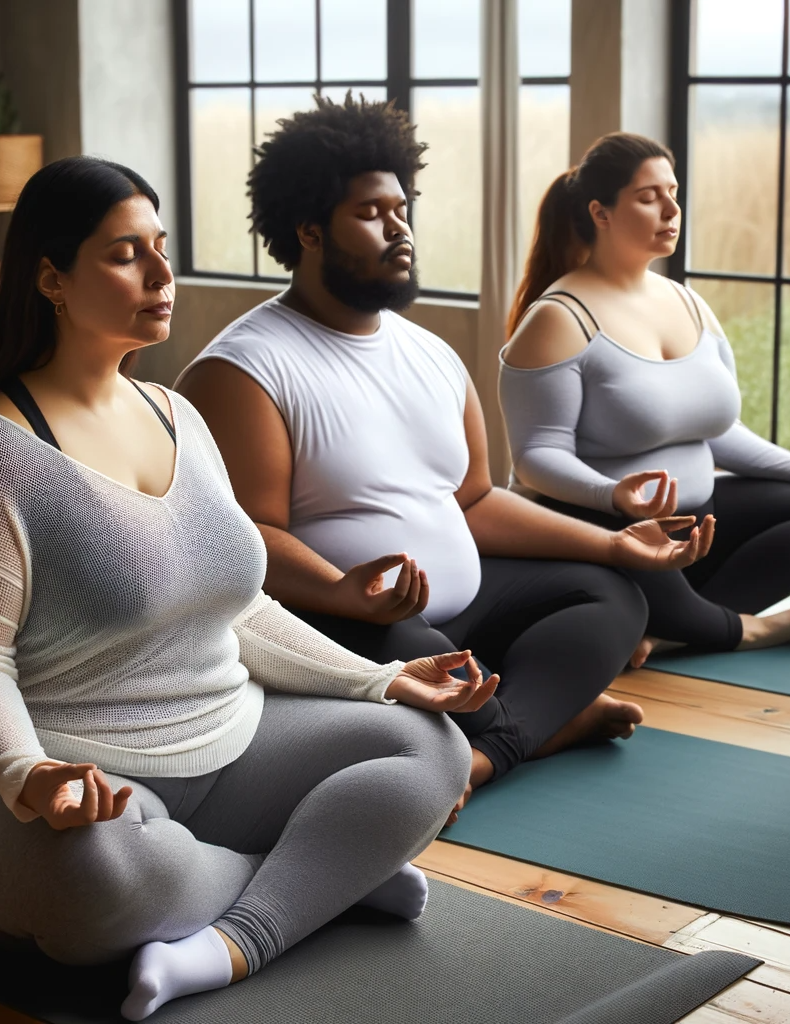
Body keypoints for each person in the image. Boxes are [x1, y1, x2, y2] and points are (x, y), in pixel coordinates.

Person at [0, 156, 490, 1022]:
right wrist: (26, 774)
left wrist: (381, 680)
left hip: (227, 744)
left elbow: (241, 607)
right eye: (124, 254)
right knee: (96, 876)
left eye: (161, 246)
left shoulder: (178, 413)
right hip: (61, 788)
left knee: (427, 746)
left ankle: (232, 938)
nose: (161, 274)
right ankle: (317, 881)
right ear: (51, 278)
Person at [176, 96, 717, 811]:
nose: (399, 229)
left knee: (612, 595)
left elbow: (477, 502)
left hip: (468, 602)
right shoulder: (242, 372)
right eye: (372, 214)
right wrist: (344, 593)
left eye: (403, 210)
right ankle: (530, 728)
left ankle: (491, 744)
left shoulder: (432, 354)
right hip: (352, 622)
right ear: (309, 231)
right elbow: (247, 542)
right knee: (419, 649)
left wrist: (615, 545)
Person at [500, 132, 790, 664]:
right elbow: (535, 457)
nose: (671, 209)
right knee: (633, 569)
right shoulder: (558, 319)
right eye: (648, 196)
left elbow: (718, 430)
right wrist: (615, 496)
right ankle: (747, 630)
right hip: (609, 531)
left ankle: (674, 631)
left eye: (673, 191)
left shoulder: (689, 303)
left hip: (693, 529)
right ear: (601, 212)